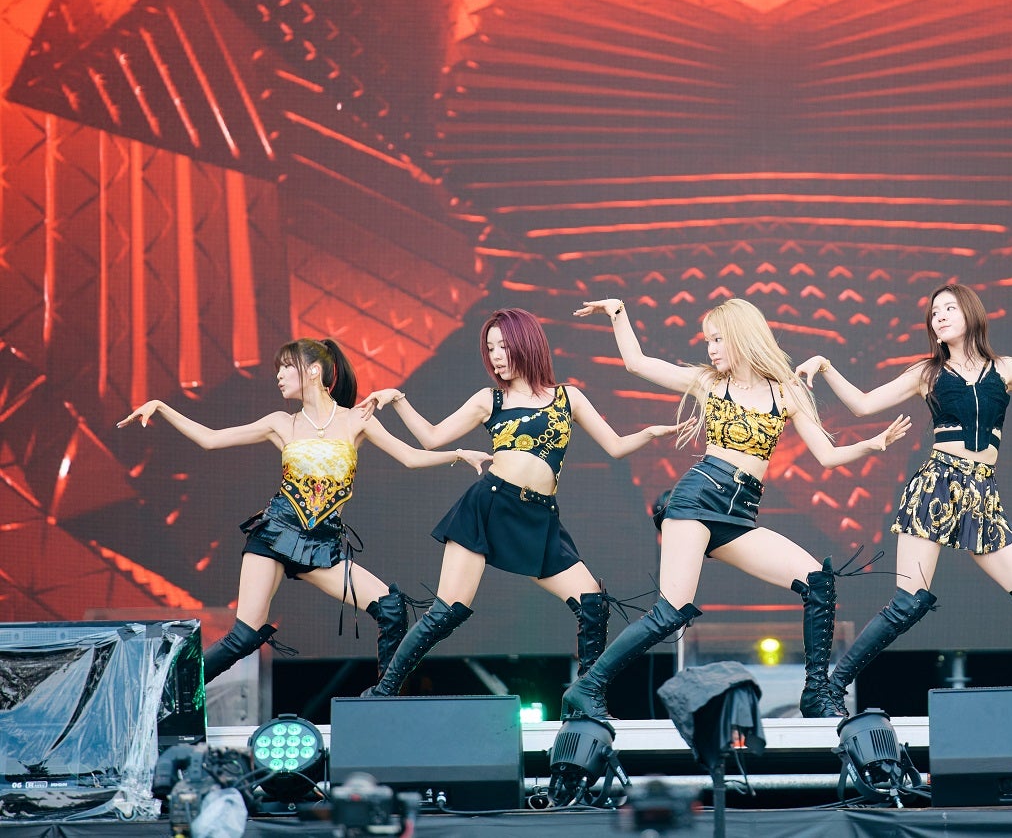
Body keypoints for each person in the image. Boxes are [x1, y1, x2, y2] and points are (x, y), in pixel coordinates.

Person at [792, 282, 1012, 712]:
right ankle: (831, 688)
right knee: (909, 602)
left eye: (949, 308)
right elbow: (863, 405)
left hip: (982, 494)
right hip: (937, 486)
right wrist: (826, 365)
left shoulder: (1006, 369)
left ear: (971, 314)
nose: (939, 316)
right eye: (934, 312)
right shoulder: (927, 373)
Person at [560, 297, 912, 721]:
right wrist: (618, 313)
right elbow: (637, 364)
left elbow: (827, 455)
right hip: (697, 500)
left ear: (742, 337)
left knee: (818, 581)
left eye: (717, 339)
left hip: (740, 514)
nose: (710, 349)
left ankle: (817, 694)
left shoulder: (787, 392)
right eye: (708, 340)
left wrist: (873, 444)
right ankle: (588, 687)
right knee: (671, 611)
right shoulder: (709, 383)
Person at [117, 338, 491, 682]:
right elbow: (210, 440)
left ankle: (382, 700)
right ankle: (172, 691)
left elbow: (409, 457)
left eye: (286, 367)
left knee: (391, 608)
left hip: (321, 545)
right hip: (274, 535)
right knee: (244, 635)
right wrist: (162, 407)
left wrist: (458, 454)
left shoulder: (356, 420)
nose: (278, 375)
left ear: (313, 371)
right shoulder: (281, 423)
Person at [357, 307, 677, 696]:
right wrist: (398, 399)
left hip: (538, 517)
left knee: (593, 602)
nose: (495, 356)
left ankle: (587, 696)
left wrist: (650, 433)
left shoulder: (568, 398)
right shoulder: (489, 400)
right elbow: (431, 437)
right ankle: (384, 690)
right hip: (489, 506)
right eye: (490, 348)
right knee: (447, 611)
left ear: (525, 344)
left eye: (502, 346)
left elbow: (615, 446)